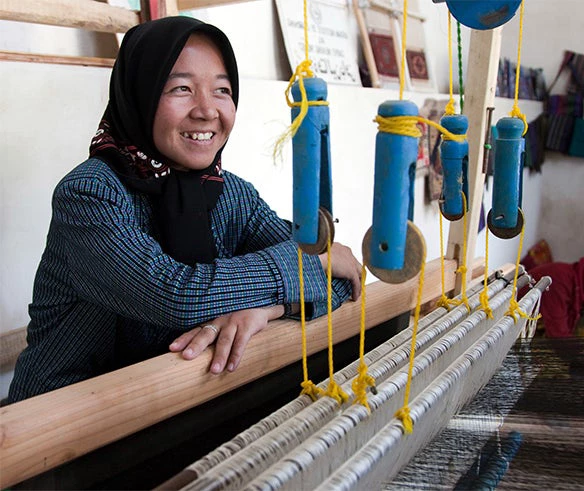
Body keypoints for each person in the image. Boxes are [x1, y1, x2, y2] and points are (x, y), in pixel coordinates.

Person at [8, 17, 362, 403]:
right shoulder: (90, 195)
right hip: (61, 429)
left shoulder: (232, 195)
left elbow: (346, 280)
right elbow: (175, 294)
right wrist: (308, 266)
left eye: (222, 90)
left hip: (175, 406)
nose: (207, 110)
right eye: (181, 88)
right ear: (140, 95)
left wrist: (268, 309)